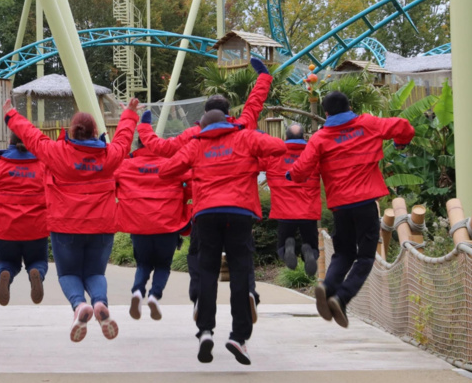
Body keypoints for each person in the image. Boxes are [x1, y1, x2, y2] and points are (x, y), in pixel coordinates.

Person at [137, 58, 273, 315]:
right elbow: (255, 105)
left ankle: (200, 296)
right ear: (227, 112)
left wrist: (144, 127)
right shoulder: (242, 127)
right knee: (241, 256)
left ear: (204, 115)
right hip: (241, 204)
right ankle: (248, 293)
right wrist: (263, 77)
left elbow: (161, 149)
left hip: (206, 205)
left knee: (199, 254)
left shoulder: (195, 136)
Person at [3, 97, 140, 343]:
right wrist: (129, 113)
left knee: (68, 274)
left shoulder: (57, 153)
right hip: (101, 226)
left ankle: (79, 307)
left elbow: (32, 136)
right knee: (95, 273)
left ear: (70, 130)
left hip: (65, 226)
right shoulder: (109, 156)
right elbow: (123, 139)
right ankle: (99, 303)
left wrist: (11, 114)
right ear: (95, 131)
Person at [160, 109, 286, 366]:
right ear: (227, 121)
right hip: (239, 213)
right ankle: (238, 337)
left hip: (206, 214)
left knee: (207, 272)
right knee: (240, 272)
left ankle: (205, 331)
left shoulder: (196, 144)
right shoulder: (245, 138)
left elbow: (166, 171)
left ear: (202, 127)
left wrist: (195, 171)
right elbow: (279, 147)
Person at [288, 91, 414, 327]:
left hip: (341, 207)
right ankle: (342, 298)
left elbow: (301, 170)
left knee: (344, 253)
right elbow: (403, 126)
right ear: (349, 106)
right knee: (365, 257)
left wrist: (290, 174)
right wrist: (400, 143)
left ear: (326, 113)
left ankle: (327, 287)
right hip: (366, 203)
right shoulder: (367, 123)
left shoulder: (320, 137)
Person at [115, 136, 191, 320]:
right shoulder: (171, 163)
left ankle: (137, 293)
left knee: (143, 264)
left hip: (139, 224)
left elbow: (111, 181)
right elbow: (190, 183)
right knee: (163, 265)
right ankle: (154, 296)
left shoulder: (126, 165)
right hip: (168, 223)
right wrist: (183, 201)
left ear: (138, 145)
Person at [0, 132, 48, 306]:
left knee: (7, 262)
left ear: (10, 141)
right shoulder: (43, 166)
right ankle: (36, 272)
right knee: (38, 260)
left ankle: (5, 275)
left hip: (4, 229)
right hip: (36, 228)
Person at [259, 123, 322, 277]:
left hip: (284, 211)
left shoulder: (273, 154)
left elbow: (254, 163)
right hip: (308, 211)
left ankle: (288, 245)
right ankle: (309, 250)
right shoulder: (313, 153)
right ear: (304, 137)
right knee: (313, 246)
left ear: (285, 137)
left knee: (281, 247)